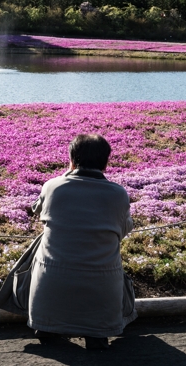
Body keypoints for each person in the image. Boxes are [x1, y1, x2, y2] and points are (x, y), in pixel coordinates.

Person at [27, 134, 136, 350]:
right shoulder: (117, 193)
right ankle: (97, 332)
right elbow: (123, 230)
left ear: (71, 159)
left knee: (40, 246)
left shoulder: (53, 186)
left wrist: (65, 174)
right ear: (106, 162)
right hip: (102, 285)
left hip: (52, 282)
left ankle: (46, 323)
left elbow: (36, 210)